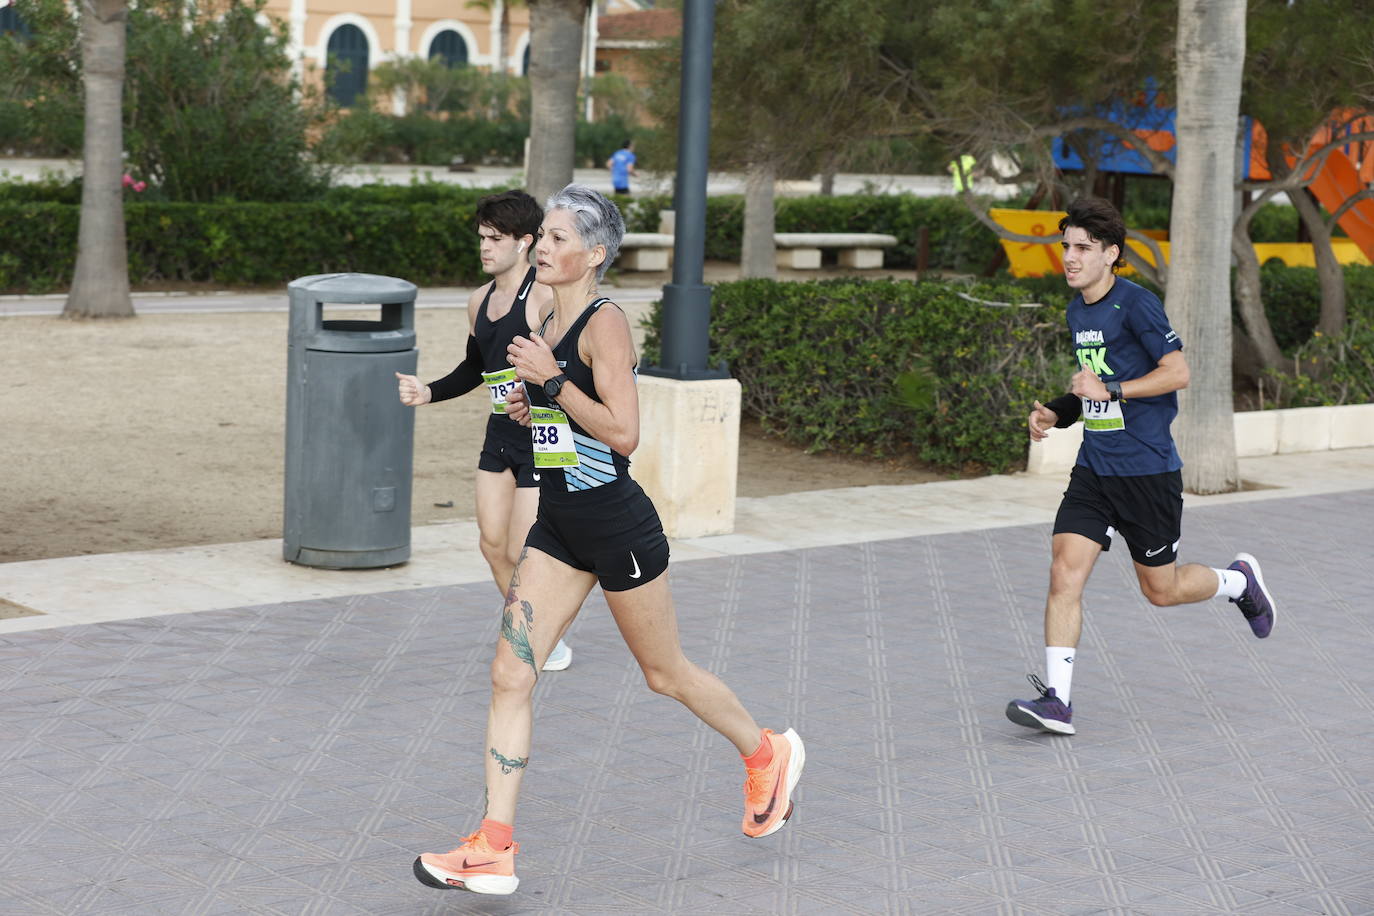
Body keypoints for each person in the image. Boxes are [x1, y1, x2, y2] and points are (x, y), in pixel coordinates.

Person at [412, 185, 804, 896]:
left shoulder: (603, 322)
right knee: (509, 673)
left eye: (560, 238)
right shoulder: (546, 322)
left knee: (665, 675)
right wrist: (536, 410)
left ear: (594, 254)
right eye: (546, 237)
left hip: (618, 527)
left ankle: (766, 752)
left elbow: (624, 434)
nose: (546, 247)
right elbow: (570, 431)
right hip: (560, 524)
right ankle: (494, 847)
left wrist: (553, 383)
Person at [1006, 196, 1277, 737]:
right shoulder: (1077, 308)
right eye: (1066, 247)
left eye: (1083, 248)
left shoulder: (1136, 305)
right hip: (1095, 470)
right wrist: (1056, 413)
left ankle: (1237, 581)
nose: (1070, 257)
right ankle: (1057, 701)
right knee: (1064, 571)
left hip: (1146, 471)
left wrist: (1111, 389)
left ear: (1111, 254)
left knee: (1162, 590)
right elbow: (1092, 386)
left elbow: (1177, 372)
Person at [395, 190, 572, 672]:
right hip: (499, 436)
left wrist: (542, 402)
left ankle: (541, 632)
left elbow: (570, 369)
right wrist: (427, 391)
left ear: (524, 242)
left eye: (495, 239)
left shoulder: (542, 299)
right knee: (492, 545)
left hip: (542, 437)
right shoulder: (478, 301)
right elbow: (475, 367)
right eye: (481, 238)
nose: (485, 248)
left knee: (523, 548)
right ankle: (540, 633)